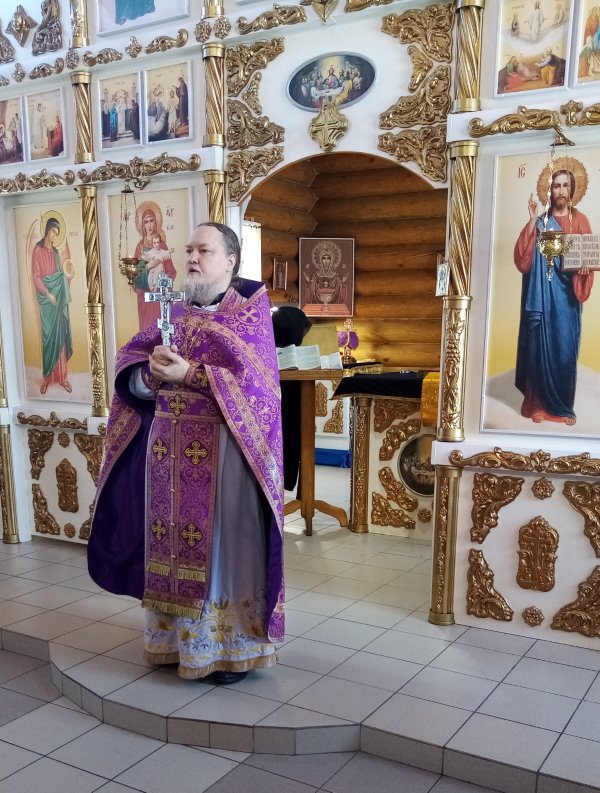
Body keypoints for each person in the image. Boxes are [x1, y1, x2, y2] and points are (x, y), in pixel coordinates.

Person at [88, 222, 284, 683]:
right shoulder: (172, 311)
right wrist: (149, 375)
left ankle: (225, 649)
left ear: (231, 261)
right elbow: (131, 364)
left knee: (224, 549)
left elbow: (258, 391)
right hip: (166, 452)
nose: (193, 258)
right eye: (189, 250)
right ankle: (175, 643)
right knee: (169, 542)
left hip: (226, 456)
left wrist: (190, 374)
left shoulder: (249, 315)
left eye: (205, 251)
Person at [514, 168, 594, 425]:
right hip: (541, 296)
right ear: (550, 190)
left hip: (567, 300)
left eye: (565, 185)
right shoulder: (540, 222)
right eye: (556, 186)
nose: (560, 191)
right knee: (538, 348)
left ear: (572, 189)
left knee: (565, 350)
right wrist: (530, 220)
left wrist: (584, 269)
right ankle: (538, 404)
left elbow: (588, 257)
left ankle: (563, 408)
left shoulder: (580, 221)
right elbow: (523, 260)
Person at [31, 217, 73, 395]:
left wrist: (67, 278)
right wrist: (48, 294)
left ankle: (62, 378)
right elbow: (36, 276)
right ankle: (47, 378)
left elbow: (58, 277)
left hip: (57, 300)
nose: (54, 236)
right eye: (53, 232)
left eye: (57, 233)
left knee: (60, 337)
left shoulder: (55, 252)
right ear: (47, 229)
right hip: (46, 301)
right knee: (49, 339)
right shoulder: (38, 250)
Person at [132, 207, 176, 330]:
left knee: (161, 330)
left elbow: (171, 271)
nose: (149, 225)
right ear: (142, 225)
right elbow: (134, 275)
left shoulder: (162, 245)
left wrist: (162, 280)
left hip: (160, 293)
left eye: (151, 220)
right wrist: (147, 267)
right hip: (145, 297)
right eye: (146, 222)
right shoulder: (140, 247)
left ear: (155, 222)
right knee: (147, 330)